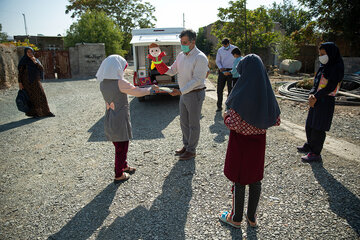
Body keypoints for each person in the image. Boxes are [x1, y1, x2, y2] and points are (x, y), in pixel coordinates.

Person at [219, 54, 281, 228]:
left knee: (239, 181)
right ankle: (252, 218)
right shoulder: (266, 91)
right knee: (255, 180)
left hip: (240, 145)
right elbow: (276, 120)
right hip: (258, 144)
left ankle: (236, 218)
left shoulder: (240, 92)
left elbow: (234, 123)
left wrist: (225, 117)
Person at [96, 55, 159, 183]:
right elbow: (136, 91)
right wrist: (151, 89)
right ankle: (118, 174)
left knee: (120, 143)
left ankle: (123, 165)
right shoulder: (120, 82)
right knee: (121, 146)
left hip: (110, 116)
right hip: (119, 116)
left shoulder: (103, 83)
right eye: (123, 67)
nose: (124, 70)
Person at [166, 29, 209, 161]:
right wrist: (159, 63)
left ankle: (192, 150)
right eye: (181, 42)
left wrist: (181, 91)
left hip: (195, 94)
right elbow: (172, 70)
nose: (182, 44)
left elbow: (197, 80)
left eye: (185, 42)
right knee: (183, 121)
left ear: (193, 42)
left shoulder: (200, 57)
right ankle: (186, 145)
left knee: (193, 123)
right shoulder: (181, 55)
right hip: (184, 93)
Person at [297, 42, 344, 162]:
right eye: (320, 53)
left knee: (319, 127)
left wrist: (316, 97)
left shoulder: (337, 67)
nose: (321, 56)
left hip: (325, 100)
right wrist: (311, 95)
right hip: (316, 99)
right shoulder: (323, 66)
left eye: (323, 54)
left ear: (330, 53)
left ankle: (315, 153)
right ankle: (310, 145)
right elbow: (316, 82)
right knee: (310, 124)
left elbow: (331, 86)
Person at [18, 47, 54, 118]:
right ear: (26, 53)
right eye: (28, 52)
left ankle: (46, 112)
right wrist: (20, 83)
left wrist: (35, 62)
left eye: (31, 52)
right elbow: (20, 73)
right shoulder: (23, 61)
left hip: (36, 81)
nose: (30, 53)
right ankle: (35, 113)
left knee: (41, 95)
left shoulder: (36, 60)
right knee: (31, 98)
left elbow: (41, 69)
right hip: (27, 82)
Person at [215, 38, 238, 112]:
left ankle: (229, 106)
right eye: (224, 45)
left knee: (230, 89)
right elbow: (217, 61)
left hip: (231, 71)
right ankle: (219, 106)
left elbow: (237, 59)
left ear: (229, 43)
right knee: (219, 89)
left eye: (226, 45)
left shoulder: (235, 48)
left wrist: (234, 70)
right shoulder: (220, 50)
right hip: (222, 71)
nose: (225, 47)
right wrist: (220, 67)